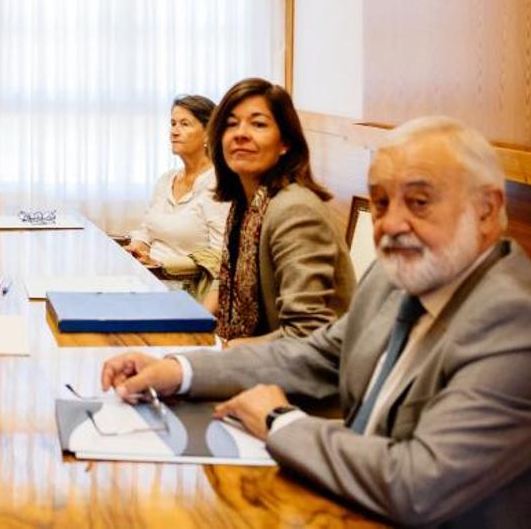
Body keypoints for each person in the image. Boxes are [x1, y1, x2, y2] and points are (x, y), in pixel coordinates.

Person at [100, 116, 531, 527]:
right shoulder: (393, 275)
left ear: (487, 210)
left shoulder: (514, 323)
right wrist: (181, 369)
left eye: (419, 202)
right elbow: (316, 355)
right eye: (381, 203)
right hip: (345, 502)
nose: (393, 224)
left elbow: (417, 484)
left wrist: (279, 422)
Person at [204, 78, 353, 344]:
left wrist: (226, 351)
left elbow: (306, 335)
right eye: (231, 124)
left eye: (258, 124)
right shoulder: (246, 206)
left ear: (285, 143)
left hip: (309, 377)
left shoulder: (295, 211)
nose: (241, 133)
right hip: (264, 365)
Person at [125, 95, 230, 295]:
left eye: (184, 124)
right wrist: (136, 246)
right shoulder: (167, 179)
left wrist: (160, 265)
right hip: (147, 279)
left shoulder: (219, 186)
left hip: (187, 290)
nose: (174, 131)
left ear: (208, 133)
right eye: (172, 123)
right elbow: (147, 229)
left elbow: (219, 258)